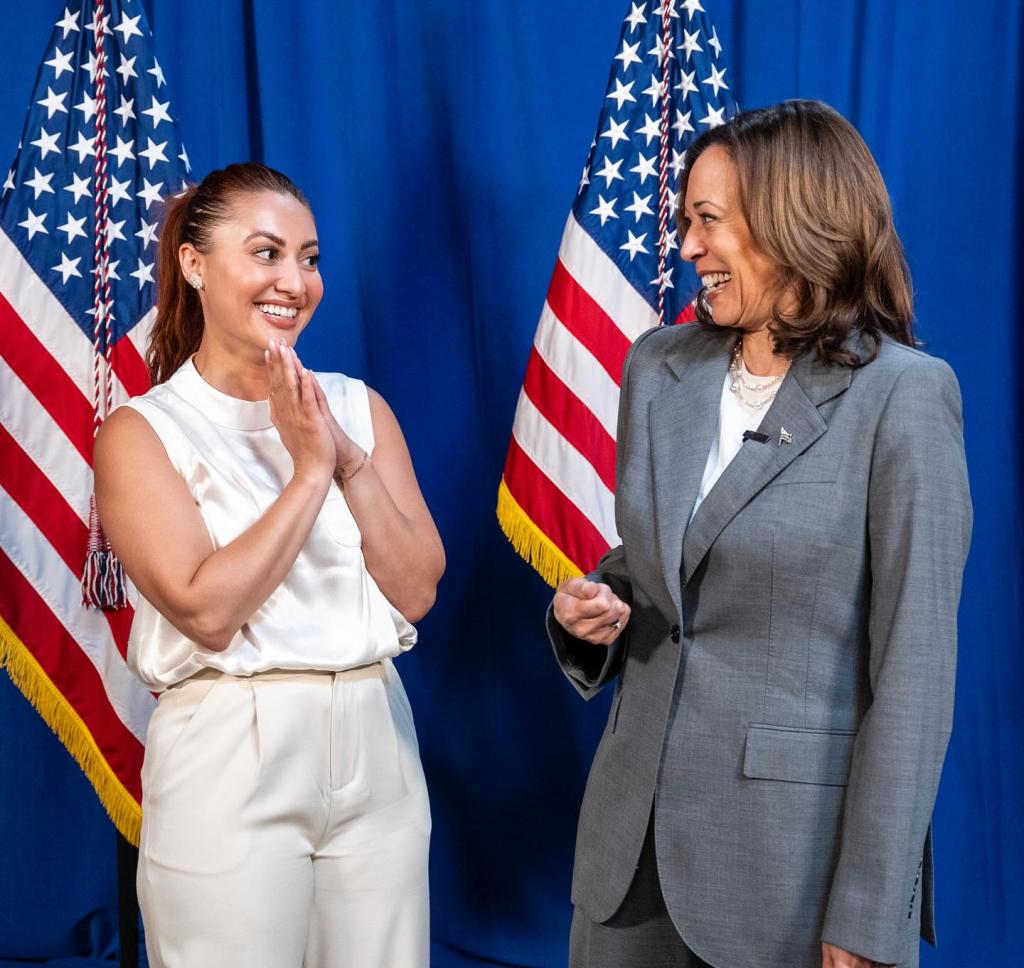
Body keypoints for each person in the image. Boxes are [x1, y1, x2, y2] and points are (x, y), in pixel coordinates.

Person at [548, 101, 972, 968]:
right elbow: (661, 562)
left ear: (794, 223)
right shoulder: (657, 367)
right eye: (684, 223)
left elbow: (915, 678)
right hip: (627, 866)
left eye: (708, 222)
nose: (688, 248)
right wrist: (592, 606)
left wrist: (870, 915)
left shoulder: (905, 398)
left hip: (790, 881)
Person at [94, 162, 444, 967]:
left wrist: (347, 460)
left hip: (374, 730)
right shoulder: (144, 432)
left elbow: (417, 588)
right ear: (193, 264)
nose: (294, 280)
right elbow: (207, 611)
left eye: (311, 258)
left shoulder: (358, 408)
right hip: (230, 744)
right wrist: (309, 472)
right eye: (266, 252)